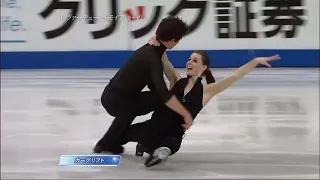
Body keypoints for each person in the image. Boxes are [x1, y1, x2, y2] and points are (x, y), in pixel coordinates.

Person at [119, 40, 281, 167]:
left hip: (171, 138)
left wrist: (256, 61)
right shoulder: (176, 80)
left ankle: (161, 152)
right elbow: (165, 61)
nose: (189, 62)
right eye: (189, 59)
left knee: (171, 144)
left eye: (195, 60)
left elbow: (235, 76)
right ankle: (144, 146)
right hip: (150, 129)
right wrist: (157, 43)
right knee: (119, 137)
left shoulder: (207, 91)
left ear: (204, 67)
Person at [94, 16, 193, 155]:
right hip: (118, 101)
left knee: (136, 105)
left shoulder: (152, 49)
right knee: (161, 100)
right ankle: (149, 140)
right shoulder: (152, 58)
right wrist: (185, 114)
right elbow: (162, 93)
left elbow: (155, 84)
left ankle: (106, 144)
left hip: (113, 96)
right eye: (178, 39)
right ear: (172, 40)